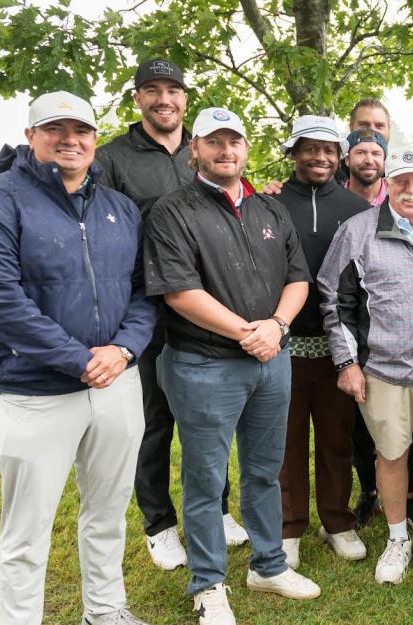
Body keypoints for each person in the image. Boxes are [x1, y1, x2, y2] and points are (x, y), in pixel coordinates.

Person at [0, 91, 159, 625]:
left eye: (81, 129)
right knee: (27, 527)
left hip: (116, 382)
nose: (70, 139)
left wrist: (123, 350)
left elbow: (143, 292)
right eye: (55, 128)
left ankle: (102, 616)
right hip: (35, 389)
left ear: (94, 137)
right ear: (31, 136)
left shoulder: (118, 207)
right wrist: (79, 360)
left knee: (107, 512)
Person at [144, 107, 317, 625]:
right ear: (194, 149)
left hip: (270, 361)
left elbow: (297, 277)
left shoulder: (269, 208)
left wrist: (277, 326)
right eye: (213, 142)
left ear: (246, 149)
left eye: (234, 142)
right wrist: (250, 331)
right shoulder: (171, 212)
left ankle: (267, 566)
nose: (226, 151)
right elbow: (179, 291)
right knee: (205, 480)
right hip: (202, 364)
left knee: (265, 470)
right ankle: (207, 585)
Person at [95, 58, 247, 571]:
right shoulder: (112, 157)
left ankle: (218, 508)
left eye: (174, 90)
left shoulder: (203, 149)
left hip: (209, 303)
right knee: (153, 420)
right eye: (153, 90)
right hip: (145, 309)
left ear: (186, 99)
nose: (165, 99)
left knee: (210, 414)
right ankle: (159, 523)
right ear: (137, 98)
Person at [320, 146, 413, 585]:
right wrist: (347, 362)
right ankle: (397, 539)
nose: (411, 189)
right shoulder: (358, 231)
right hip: (384, 370)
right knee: (391, 455)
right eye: (402, 180)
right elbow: (334, 297)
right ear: (387, 183)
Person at [272, 115, 371, 566]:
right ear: (293, 152)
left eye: (330, 150)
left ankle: (338, 521)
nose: (320, 158)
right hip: (282, 344)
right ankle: (288, 527)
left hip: (338, 347)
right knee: (285, 440)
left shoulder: (356, 210)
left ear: (340, 156)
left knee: (337, 440)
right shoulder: (268, 204)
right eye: (310, 149)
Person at [344, 127, 388, 206]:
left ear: (384, 161)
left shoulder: (398, 200)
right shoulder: (332, 201)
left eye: (376, 153)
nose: (369, 161)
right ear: (347, 160)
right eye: (360, 152)